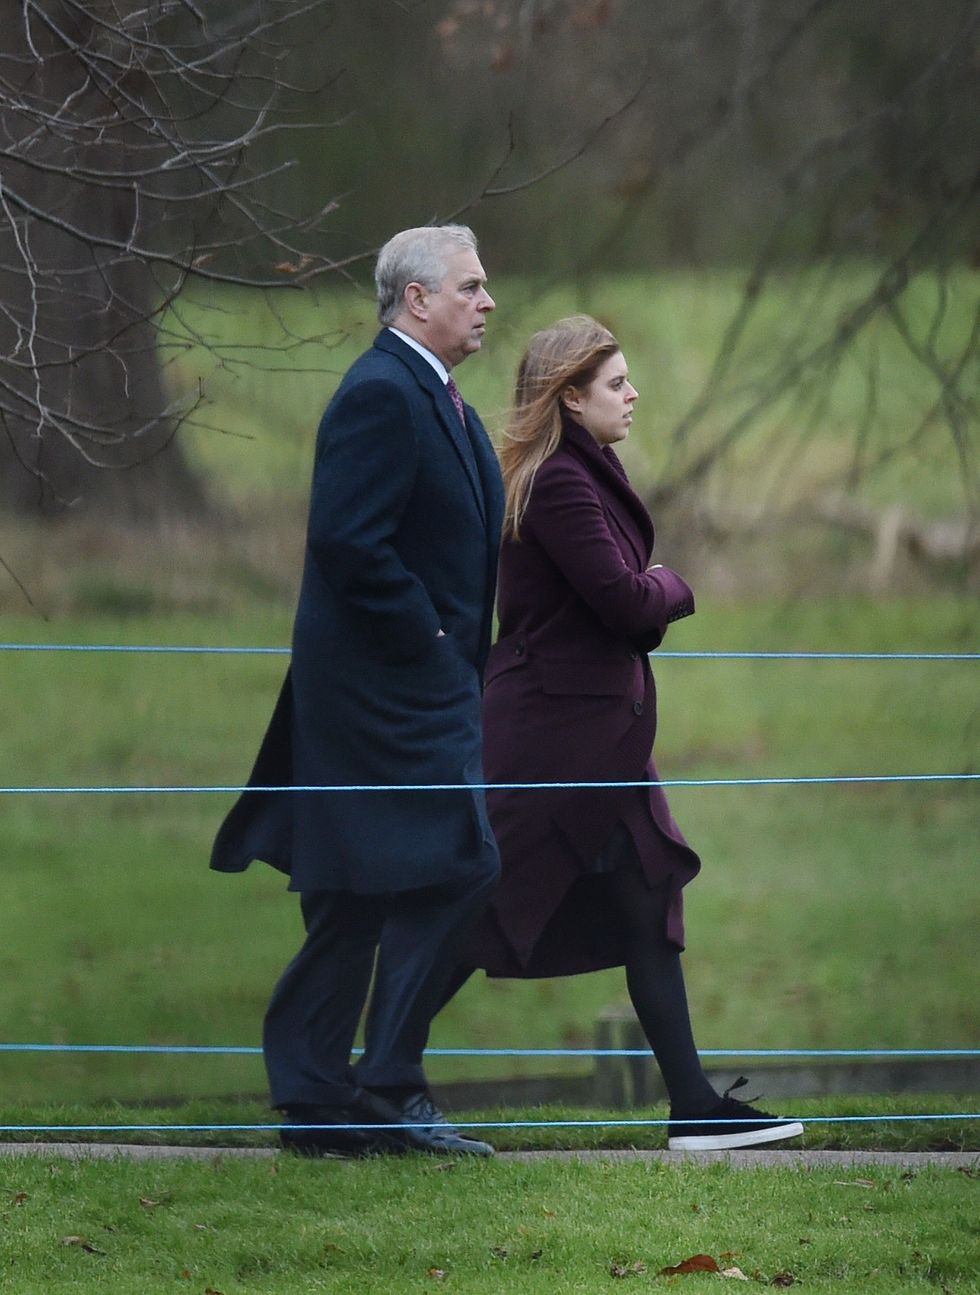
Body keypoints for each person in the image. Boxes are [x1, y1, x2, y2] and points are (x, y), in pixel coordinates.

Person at [461, 315, 803, 1152]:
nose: (633, 393)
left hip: (601, 741)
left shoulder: (584, 467)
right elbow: (626, 605)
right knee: (474, 906)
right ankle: (380, 1079)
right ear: (570, 399)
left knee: (647, 897)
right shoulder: (560, 483)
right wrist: (674, 582)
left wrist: (649, 585)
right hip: (555, 739)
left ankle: (693, 1106)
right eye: (616, 382)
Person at [211, 225, 504, 1158]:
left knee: (351, 895)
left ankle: (316, 1101)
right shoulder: (381, 392)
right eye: (471, 286)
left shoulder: (437, 394)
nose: (487, 301)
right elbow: (349, 540)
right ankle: (385, 1082)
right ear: (416, 298)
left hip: (415, 685)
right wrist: (430, 637)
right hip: (388, 692)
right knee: (461, 862)